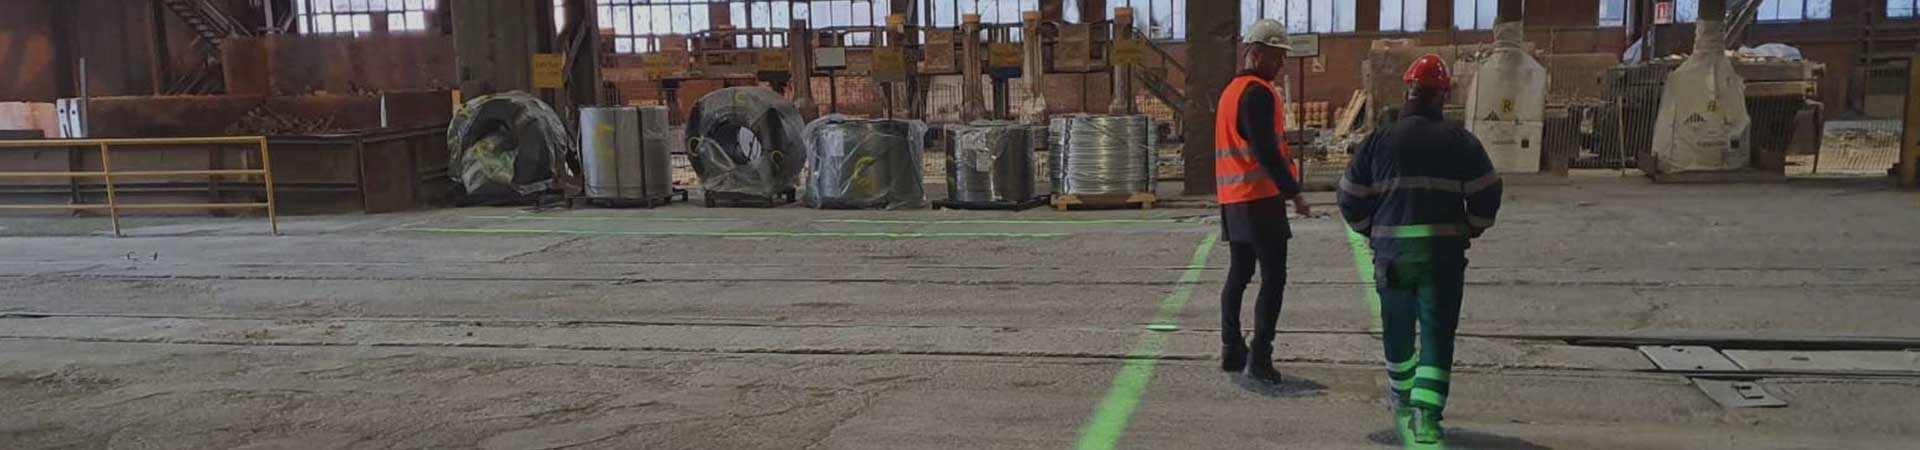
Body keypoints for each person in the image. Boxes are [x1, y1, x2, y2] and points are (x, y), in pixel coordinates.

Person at [1336, 54, 1503, 446]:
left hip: (1393, 256)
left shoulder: (1378, 140)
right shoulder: (1460, 141)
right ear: (1442, 95)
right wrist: (1472, 228)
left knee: (1397, 333)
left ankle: (1401, 402)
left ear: (1408, 91)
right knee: (1436, 335)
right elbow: (1488, 194)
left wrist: (1372, 231)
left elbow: (1348, 197)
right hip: (1441, 258)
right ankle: (1427, 418)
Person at [1215, 18, 1310, 385]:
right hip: (1260, 200)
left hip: (1233, 199)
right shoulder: (1256, 92)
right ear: (1255, 54)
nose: (1281, 64)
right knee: (1274, 278)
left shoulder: (1229, 93)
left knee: (1239, 273)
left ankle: (1231, 348)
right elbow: (1265, 149)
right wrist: (1294, 192)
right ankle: (1260, 357)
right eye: (1276, 56)